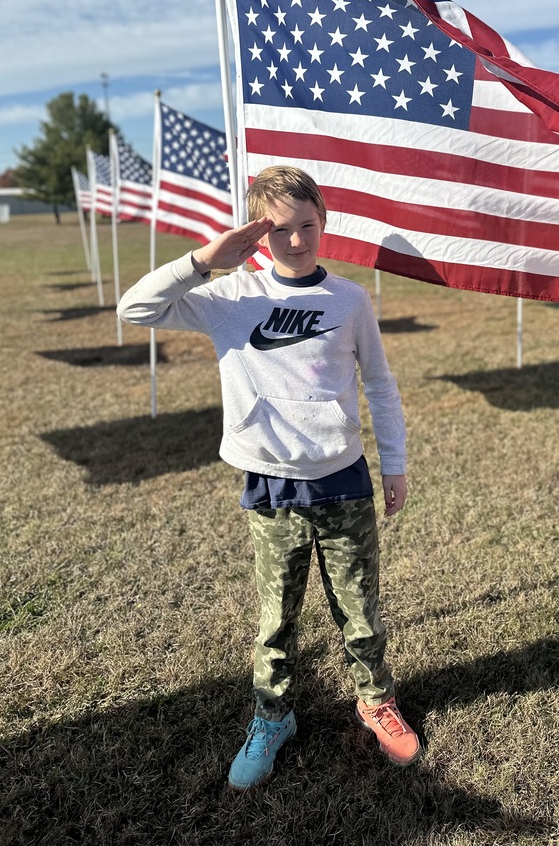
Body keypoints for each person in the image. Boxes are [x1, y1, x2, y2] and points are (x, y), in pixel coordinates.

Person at [118, 165, 420, 790]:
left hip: (343, 479)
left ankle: (374, 699)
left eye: (308, 225)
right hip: (271, 485)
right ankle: (272, 716)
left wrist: (394, 463)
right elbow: (135, 309)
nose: (298, 240)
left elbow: (381, 387)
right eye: (280, 229)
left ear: (324, 223)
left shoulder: (349, 299)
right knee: (276, 617)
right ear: (257, 234)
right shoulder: (230, 299)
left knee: (359, 608)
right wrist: (204, 260)